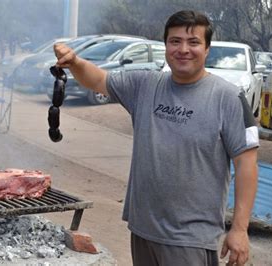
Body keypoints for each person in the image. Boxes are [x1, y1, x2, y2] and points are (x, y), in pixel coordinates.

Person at [53, 10, 258, 266]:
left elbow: (246, 164)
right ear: (166, 46)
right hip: (143, 229)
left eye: (193, 42)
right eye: (175, 41)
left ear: (206, 49)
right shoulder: (145, 85)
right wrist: (75, 63)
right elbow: (98, 80)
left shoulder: (228, 97)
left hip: (190, 239)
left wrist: (239, 229)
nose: (183, 49)